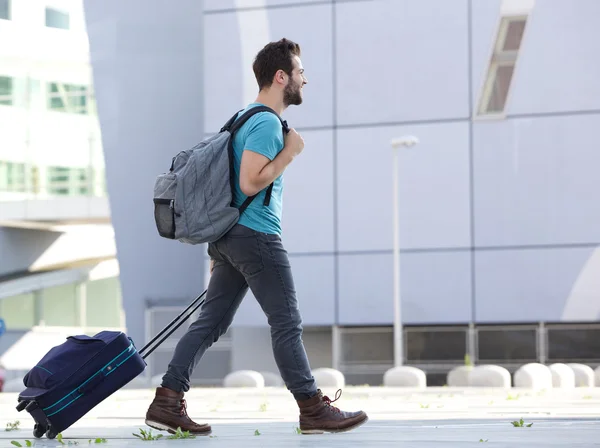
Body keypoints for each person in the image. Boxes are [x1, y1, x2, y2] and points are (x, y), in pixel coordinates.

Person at [145, 38, 368, 436]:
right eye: (300, 72)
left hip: (231, 237)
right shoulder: (266, 122)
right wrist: (291, 152)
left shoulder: (242, 116)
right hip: (257, 236)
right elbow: (249, 182)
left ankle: (166, 401)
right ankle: (312, 408)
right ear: (281, 77)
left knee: (210, 323)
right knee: (286, 323)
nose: (304, 79)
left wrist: (222, 248)